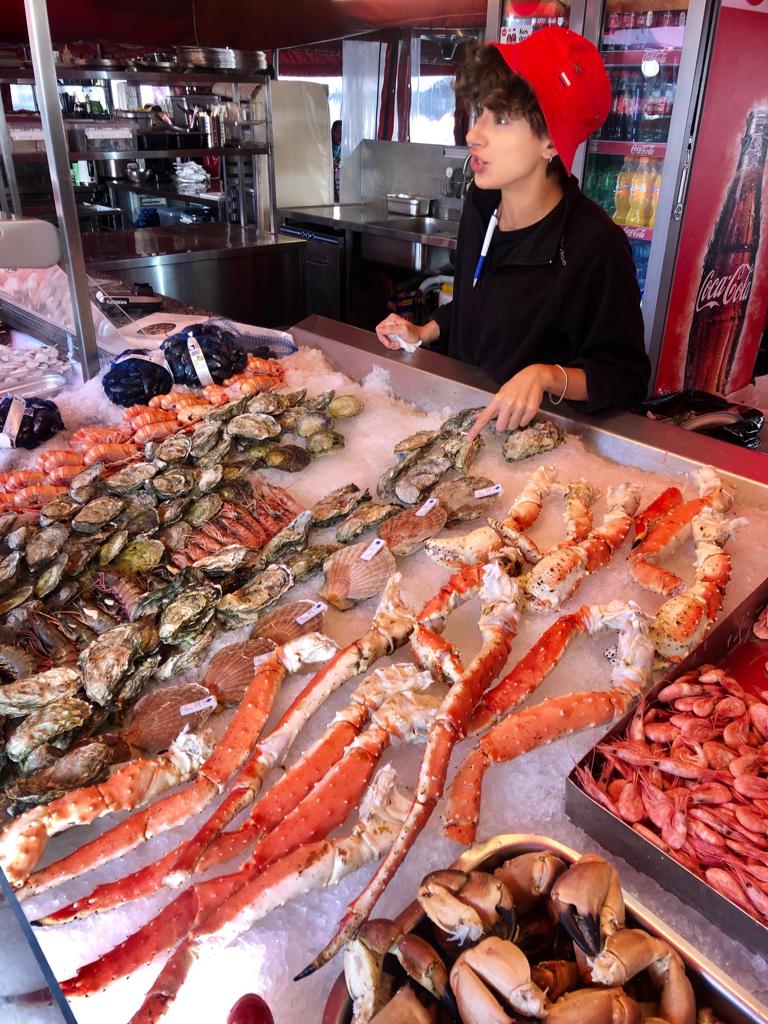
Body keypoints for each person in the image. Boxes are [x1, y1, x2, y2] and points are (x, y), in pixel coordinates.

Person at [375, 28, 651, 441]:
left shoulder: (594, 245)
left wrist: (545, 376)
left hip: (539, 450)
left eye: (500, 119)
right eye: (479, 111)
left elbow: (625, 378)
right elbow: (473, 305)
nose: (473, 133)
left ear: (551, 142)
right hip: (463, 425)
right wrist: (422, 332)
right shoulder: (481, 204)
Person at [331, 120, 342, 202]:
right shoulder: (326, 145)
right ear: (332, 132)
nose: (341, 136)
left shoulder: (342, 147)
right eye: (338, 132)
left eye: (343, 133)